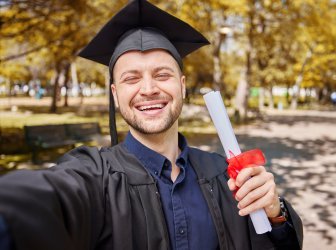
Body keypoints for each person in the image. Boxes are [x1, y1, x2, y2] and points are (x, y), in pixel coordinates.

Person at [0, 0, 303, 249]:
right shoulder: (94, 176)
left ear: (182, 86)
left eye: (162, 75)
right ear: (116, 95)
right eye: (132, 78)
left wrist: (276, 215)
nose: (148, 89)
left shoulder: (224, 176)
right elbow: (46, 200)